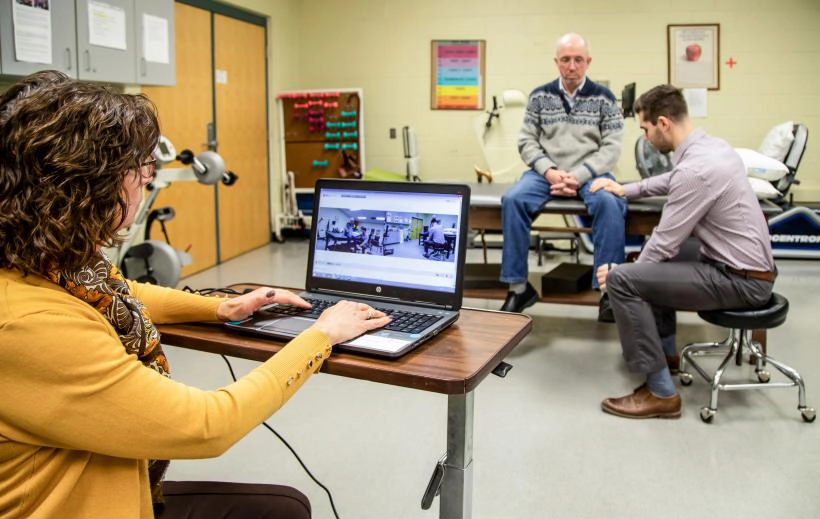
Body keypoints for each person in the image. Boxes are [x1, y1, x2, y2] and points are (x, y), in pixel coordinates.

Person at [0, 70, 391, 518]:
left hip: (115, 474)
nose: (146, 181)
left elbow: (120, 290)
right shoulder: (28, 327)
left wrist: (224, 307)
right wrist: (321, 337)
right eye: (140, 169)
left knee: (283, 507)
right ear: (84, 185)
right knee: (284, 511)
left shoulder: (47, 262)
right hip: (85, 504)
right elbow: (208, 425)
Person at [590, 84, 776, 419]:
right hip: (749, 270)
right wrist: (627, 189)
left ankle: (661, 392)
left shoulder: (696, 169)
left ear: (663, 123)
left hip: (741, 283)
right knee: (649, 262)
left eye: (645, 129)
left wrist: (622, 274)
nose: (645, 137)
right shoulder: (713, 148)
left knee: (627, 279)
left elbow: (664, 243)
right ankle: (665, 354)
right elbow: (673, 180)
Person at [499, 32, 626, 313]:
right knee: (513, 200)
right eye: (566, 60)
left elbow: (612, 147)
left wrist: (578, 176)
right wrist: (550, 172)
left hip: (590, 171)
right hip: (546, 172)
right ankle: (518, 288)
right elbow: (526, 141)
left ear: (588, 62)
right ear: (556, 62)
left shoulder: (604, 98)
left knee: (609, 202)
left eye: (578, 60)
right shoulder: (539, 96)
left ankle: (609, 292)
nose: (572, 66)